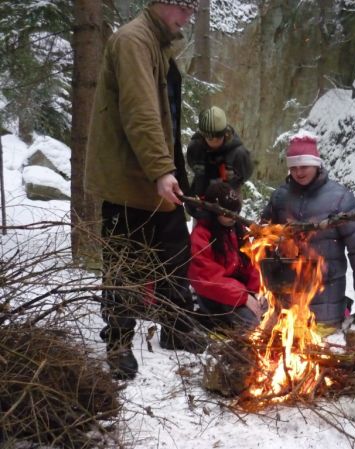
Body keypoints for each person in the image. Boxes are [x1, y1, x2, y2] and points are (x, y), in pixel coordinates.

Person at [85, 0, 204, 380]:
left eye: (192, 11)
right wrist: (161, 170)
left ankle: (176, 328)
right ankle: (118, 342)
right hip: (128, 180)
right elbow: (140, 112)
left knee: (175, 254)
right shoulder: (133, 41)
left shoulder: (158, 45)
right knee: (125, 265)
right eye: (183, 8)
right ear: (160, 4)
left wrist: (170, 173)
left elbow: (166, 114)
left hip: (156, 178)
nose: (187, 18)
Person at [261, 135, 355, 327]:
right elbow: (264, 235)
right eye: (294, 167)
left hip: (326, 296)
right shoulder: (280, 197)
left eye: (304, 166)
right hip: (287, 298)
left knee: (322, 349)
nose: (298, 172)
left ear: (316, 165)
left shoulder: (340, 198)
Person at [188, 181, 265, 330]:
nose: (233, 216)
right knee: (252, 323)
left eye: (236, 212)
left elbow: (251, 264)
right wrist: (244, 297)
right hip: (215, 297)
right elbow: (207, 279)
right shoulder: (201, 236)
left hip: (239, 291)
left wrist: (256, 291)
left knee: (273, 313)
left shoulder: (238, 229)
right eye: (227, 213)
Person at [186, 106, 253, 217]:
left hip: (228, 204)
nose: (215, 142)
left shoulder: (239, 153)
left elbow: (245, 174)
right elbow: (192, 164)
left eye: (218, 138)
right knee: (201, 231)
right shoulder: (195, 147)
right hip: (202, 200)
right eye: (210, 139)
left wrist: (230, 179)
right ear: (203, 135)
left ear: (224, 133)